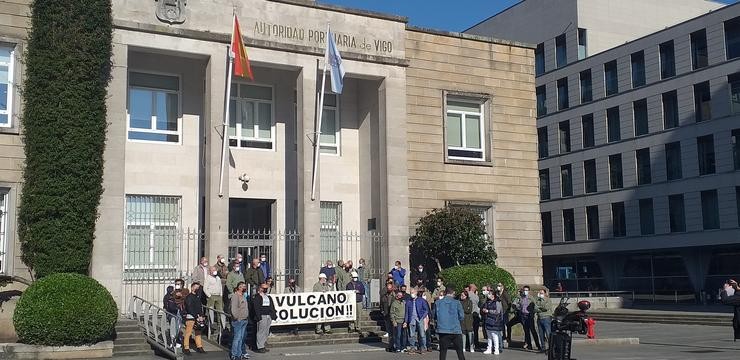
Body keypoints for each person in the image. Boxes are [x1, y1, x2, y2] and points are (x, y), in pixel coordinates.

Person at [435, 287, 466, 360]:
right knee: (460, 353)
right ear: (453, 293)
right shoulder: (457, 302)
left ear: (445, 292)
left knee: (443, 352)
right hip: (455, 330)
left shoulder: (438, 303)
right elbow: (461, 316)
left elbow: (435, 316)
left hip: (443, 330)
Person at [512, 285, 540, 351]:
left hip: (529, 316)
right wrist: (517, 307)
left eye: (527, 290)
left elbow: (535, 306)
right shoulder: (521, 298)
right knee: (526, 331)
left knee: (533, 331)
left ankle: (538, 345)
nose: (525, 291)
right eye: (524, 290)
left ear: (529, 291)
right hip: (523, 316)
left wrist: (533, 312)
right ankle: (529, 345)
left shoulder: (531, 298)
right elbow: (518, 305)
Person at [252, 283, 277, 353]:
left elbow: (272, 306)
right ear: (260, 288)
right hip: (262, 316)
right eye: (264, 288)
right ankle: (260, 346)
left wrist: (273, 315)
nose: (265, 289)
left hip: (268, 316)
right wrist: (259, 317)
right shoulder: (257, 297)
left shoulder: (268, 297)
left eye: (266, 288)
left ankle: (263, 344)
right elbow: (256, 308)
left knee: (266, 331)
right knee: (261, 331)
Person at [405, 287, 430, 354]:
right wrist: (405, 321)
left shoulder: (421, 300)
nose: (411, 294)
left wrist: (422, 316)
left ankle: (423, 348)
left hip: (420, 319)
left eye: (412, 293)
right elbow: (407, 312)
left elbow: (426, 310)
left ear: (416, 293)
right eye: (410, 293)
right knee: (411, 335)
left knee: (422, 334)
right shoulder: (408, 301)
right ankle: (412, 348)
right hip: (411, 320)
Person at [183, 282, 206, 354]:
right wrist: (197, 316)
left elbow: (199, 307)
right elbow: (189, 308)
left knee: (198, 332)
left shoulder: (197, 297)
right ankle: (186, 347)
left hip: (198, 317)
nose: (197, 289)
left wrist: (201, 315)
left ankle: (199, 346)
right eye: (196, 287)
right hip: (191, 317)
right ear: (192, 287)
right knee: (188, 333)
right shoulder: (189, 297)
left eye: (198, 288)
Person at [230, 282, 250, 360]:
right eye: (243, 286)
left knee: (241, 338)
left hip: (244, 319)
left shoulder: (243, 296)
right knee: (237, 338)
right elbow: (233, 309)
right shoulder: (235, 296)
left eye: (245, 286)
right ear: (239, 287)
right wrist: (237, 317)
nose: (244, 288)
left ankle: (239, 353)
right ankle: (234, 354)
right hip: (238, 320)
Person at [204, 265, 226, 330]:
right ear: (210, 271)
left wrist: (221, 295)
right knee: (211, 310)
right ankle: (211, 324)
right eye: (213, 270)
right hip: (211, 295)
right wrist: (209, 296)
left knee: (220, 311)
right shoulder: (208, 278)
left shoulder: (218, 278)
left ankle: (221, 325)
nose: (215, 271)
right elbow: (205, 288)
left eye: (215, 270)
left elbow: (220, 287)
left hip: (218, 296)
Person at [534, 287, 553, 352]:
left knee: (548, 334)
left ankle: (551, 347)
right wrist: (540, 308)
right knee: (541, 334)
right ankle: (543, 348)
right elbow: (535, 308)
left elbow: (546, 308)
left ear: (545, 293)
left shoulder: (548, 300)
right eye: (540, 293)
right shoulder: (537, 300)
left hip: (546, 318)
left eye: (542, 293)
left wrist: (539, 307)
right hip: (539, 318)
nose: (540, 294)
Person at [468, 284, 481, 351]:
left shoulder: (467, 294)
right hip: (475, 314)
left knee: (468, 330)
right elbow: (478, 303)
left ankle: (468, 344)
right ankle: (476, 344)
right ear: (473, 288)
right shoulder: (475, 296)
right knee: (475, 331)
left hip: (468, 315)